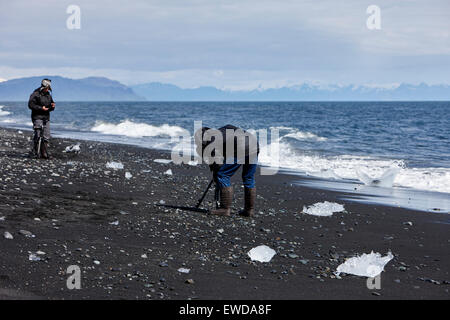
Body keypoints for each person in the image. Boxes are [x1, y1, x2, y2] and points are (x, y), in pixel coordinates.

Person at [195, 124, 259, 217]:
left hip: (241, 146)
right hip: (254, 144)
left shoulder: (209, 140)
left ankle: (225, 209)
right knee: (248, 177)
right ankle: (249, 210)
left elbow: (216, 162)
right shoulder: (222, 131)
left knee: (222, 175)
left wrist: (216, 173)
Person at [28, 79, 55, 159]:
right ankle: (36, 152)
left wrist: (52, 107)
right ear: (44, 87)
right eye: (47, 88)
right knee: (38, 134)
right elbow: (30, 105)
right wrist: (41, 108)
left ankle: (44, 153)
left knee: (46, 136)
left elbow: (50, 106)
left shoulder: (48, 95)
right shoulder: (35, 94)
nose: (48, 89)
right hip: (37, 117)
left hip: (46, 117)